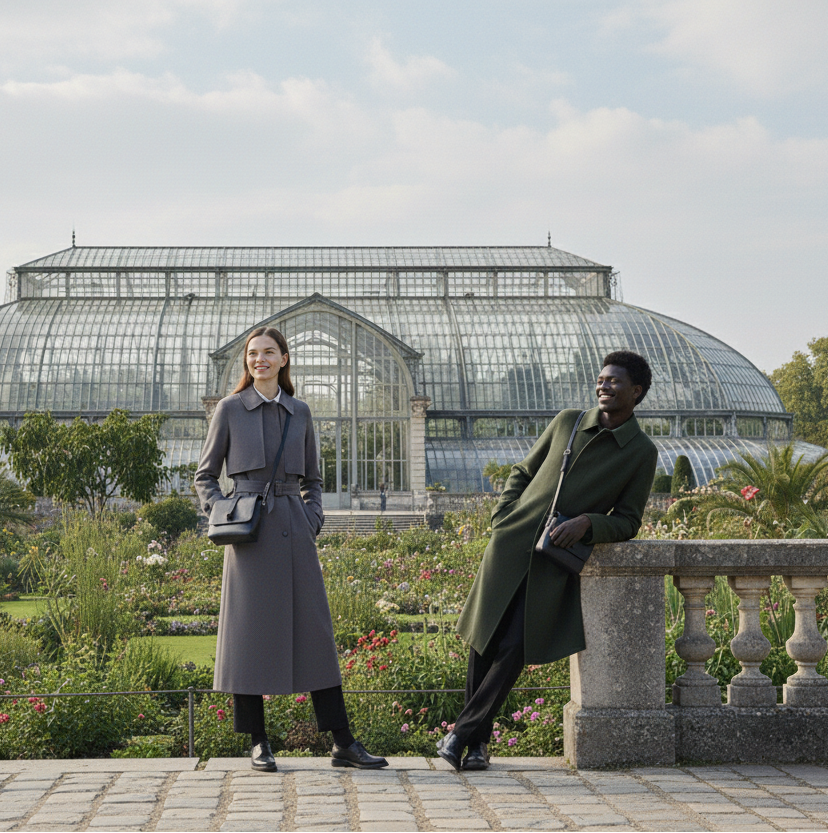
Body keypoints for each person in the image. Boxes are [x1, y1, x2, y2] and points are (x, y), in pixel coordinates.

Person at [440, 351, 659, 771]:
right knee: (484, 641)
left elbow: (629, 520)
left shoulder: (641, 452)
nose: (603, 386)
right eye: (601, 379)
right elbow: (523, 471)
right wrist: (503, 516)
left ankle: (460, 734)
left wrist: (587, 523)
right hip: (510, 545)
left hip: (553, 560)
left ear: (636, 391)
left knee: (515, 646)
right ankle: (476, 746)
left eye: (614, 381)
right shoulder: (567, 422)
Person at [195, 326, 387, 772]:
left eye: (268, 352)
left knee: (315, 635)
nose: (258, 360)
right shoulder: (229, 409)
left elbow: (313, 480)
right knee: (247, 638)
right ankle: (258, 742)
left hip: (295, 533)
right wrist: (224, 512)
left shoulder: (300, 412)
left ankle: (343, 741)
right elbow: (205, 476)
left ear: (284, 359)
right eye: (252, 353)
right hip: (248, 536)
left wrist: (311, 518)